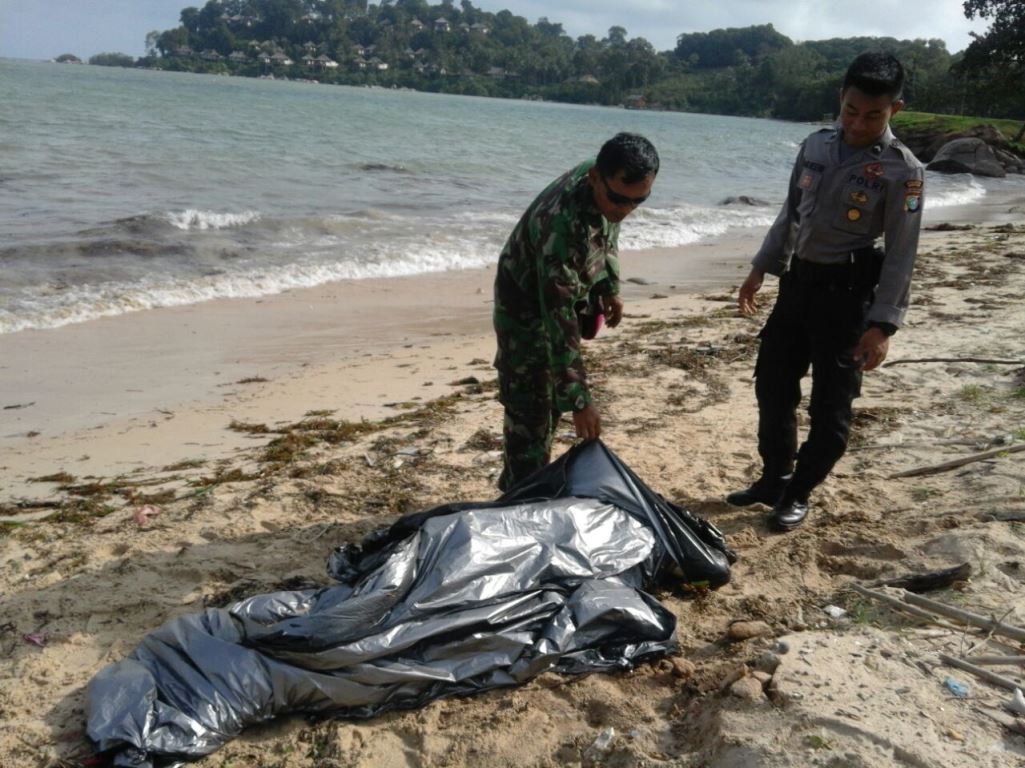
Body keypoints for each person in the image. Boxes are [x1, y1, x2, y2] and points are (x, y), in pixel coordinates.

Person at [727, 52, 924, 531]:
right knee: (772, 388)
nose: (859, 124)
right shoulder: (815, 146)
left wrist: (883, 325)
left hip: (847, 300)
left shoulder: (904, 171)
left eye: (873, 115)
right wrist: (760, 268)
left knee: (830, 410)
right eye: (851, 111)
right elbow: (790, 214)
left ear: (894, 110)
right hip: (797, 288)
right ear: (841, 99)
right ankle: (775, 477)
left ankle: (798, 493)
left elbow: (902, 252)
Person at [493, 132, 659, 491]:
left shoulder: (609, 187)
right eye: (618, 199)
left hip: (556, 301)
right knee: (530, 413)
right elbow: (559, 316)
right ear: (595, 178)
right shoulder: (560, 226)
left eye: (638, 202)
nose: (624, 210)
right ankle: (519, 496)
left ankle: (525, 490)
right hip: (524, 313)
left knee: (549, 403)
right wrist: (580, 400)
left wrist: (607, 285)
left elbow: (607, 229)